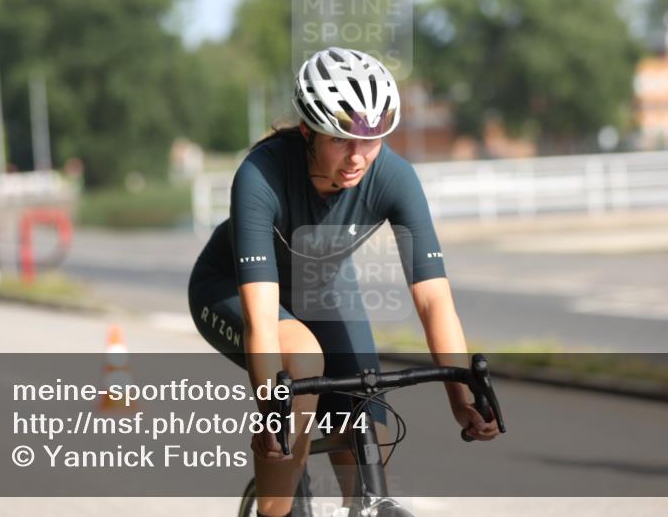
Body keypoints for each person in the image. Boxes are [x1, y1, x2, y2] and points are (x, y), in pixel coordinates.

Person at [188, 47, 498, 517]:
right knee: (303, 362)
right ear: (309, 129)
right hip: (231, 288)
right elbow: (261, 321)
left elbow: (434, 299)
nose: (358, 157)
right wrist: (274, 413)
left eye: (371, 141)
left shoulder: (394, 176)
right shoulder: (260, 175)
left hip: (325, 288)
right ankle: (275, 507)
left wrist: (460, 394)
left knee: (368, 419)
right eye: (341, 140)